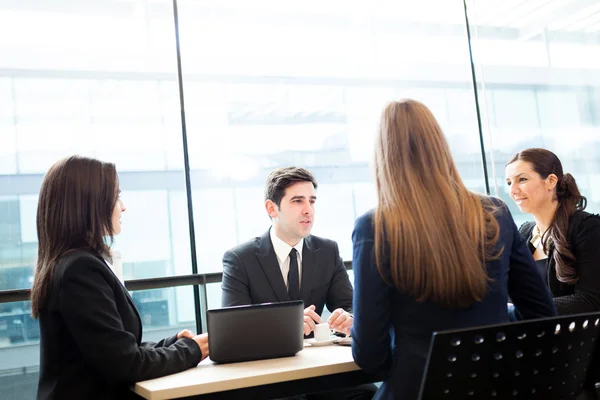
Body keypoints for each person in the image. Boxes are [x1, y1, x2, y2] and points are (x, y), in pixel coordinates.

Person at [351, 100, 556, 400]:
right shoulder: (494, 212)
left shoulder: (376, 226)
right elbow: (542, 313)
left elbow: (369, 354)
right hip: (497, 386)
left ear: (383, 157)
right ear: (440, 147)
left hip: (417, 388)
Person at [31, 156, 208, 400]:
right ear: (89, 203)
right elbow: (127, 364)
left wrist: (170, 343)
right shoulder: (80, 269)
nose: (122, 207)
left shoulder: (69, 262)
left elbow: (112, 349)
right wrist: (191, 350)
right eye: (116, 197)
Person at [221, 167, 376, 399]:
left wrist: (348, 318)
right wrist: (285, 325)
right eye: (297, 201)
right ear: (272, 208)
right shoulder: (240, 259)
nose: (308, 210)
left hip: (318, 372)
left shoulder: (327, 250)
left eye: (312, 201)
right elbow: (233, 331)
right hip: (268, 376)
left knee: (368, 393)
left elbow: (350, 305)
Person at [505, 148, 600, 315]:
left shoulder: (587, 228)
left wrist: (528, 310)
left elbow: (590, 299)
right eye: (508, 183)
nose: (513, 190)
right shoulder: (525, 233)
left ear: (550, 181)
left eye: (522, 179)